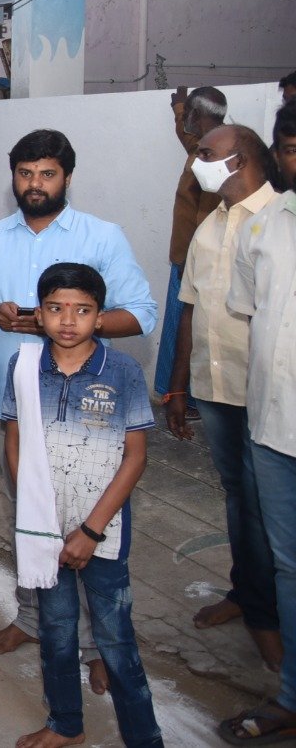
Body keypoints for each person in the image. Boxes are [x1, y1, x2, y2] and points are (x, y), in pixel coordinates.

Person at [0, 128, 156, 684]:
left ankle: (99, 645)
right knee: (28, 519)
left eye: (47, 174)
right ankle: (33, 618)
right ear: (12, 176)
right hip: (14, 408)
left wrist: (58, 320)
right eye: (24, 174)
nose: (35, 185)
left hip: (89, 413)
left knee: (94, 524)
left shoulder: (101, 236)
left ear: (67, 177)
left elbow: (140, 314)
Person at [2, 263, 162, 748]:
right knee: (55, 629)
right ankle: (65, 723)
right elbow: (14, 442)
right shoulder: (24, 367)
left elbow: (134, 458)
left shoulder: (123, 371)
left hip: (102, 532)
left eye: (82, 310)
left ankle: (143, 737)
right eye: (55, 309)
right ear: (39, 313)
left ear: (100, 316)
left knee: (115, 640)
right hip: (43, 529)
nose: (67, 321)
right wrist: (36, 516)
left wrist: (90, 532)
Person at [165, 124, 281, 665]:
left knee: (267, 506)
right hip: (216, 388)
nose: (197, 164)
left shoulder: (280, 218)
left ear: (239, 160)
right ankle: (247, 593)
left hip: (267, 391)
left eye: (205, 154)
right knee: (238, 497)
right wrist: (180, 386)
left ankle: (267, 613)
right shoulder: (209, 223)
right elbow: (189, 308)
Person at [219, 103, 296, 744]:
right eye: (292, 147)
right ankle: (291, 693)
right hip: (273, 428)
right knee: (288, 566)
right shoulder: (263, 228)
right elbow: (250, 316)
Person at [160, 86, 227, 418]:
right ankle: (180, 395)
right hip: (184, 256)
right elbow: (187, 139)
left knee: (188, 329)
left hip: (193, 259)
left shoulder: (216, 155)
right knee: (181, 326)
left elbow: (209, 214)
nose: (185, 121)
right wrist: (178, 108)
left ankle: (187, 398)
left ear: (199, 117)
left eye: (188, 116)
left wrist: (192, 260)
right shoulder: (204, 145)